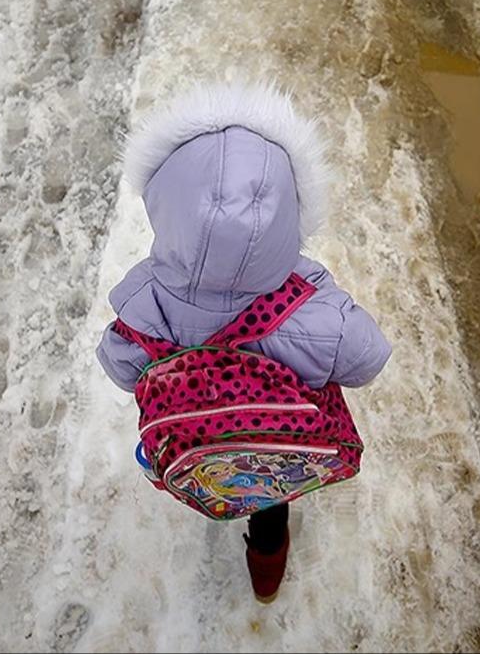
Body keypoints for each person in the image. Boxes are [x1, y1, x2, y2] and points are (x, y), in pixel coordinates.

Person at [96, 82, 392, 602]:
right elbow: (368, 358)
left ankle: (213, 490)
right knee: (268, 500)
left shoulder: (146, 301)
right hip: (271, 443)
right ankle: (266, 577)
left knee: (216, 469)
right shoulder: (312, 312)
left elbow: (119, 363)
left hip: (194, 439)